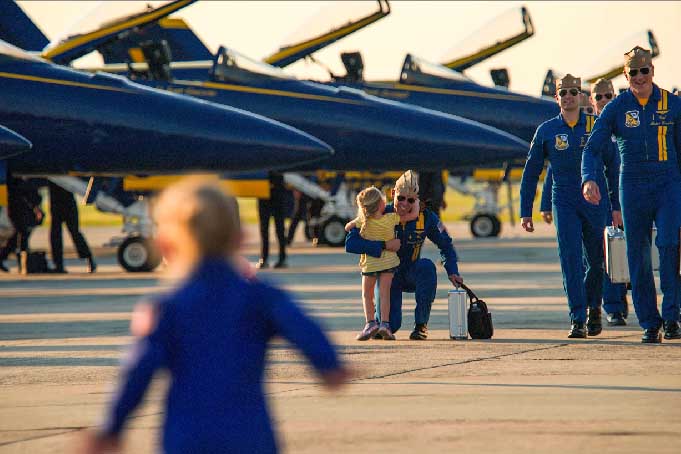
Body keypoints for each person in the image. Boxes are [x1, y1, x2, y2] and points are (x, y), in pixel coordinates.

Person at [82, 178, 348, 454]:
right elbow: (303, 328)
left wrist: (111, 428)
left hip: (187, 438)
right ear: (240, 238)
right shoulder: (261, 296)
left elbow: (138, 369)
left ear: (166, 246)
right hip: (250, 437)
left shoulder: (165, 307)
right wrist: (329, 365)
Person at [582, 46, 681, 343]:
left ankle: (672, 317)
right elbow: (592, 148)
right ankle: (650, 324)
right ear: (625, 75)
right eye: (633, 72)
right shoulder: (617, 107)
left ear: (652, 71)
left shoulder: (672, 104)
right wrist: (588, 179)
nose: (639, 77)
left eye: (644, 71)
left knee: (668, 246)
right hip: (633, 185)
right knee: (636, 256)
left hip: (668, 183)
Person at [519, 74, 621, 339]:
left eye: (573, 92)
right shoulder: (547, 131)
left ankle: (594, 307)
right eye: (563, 92)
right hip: (563, 200)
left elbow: (613, 166)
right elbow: (531, 173)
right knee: (570, 260)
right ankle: (577, 317)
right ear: (557, 98)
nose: (568, 96)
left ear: (582, 97)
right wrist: (525, 211)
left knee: (597, 262)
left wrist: (616, 204)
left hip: (594, 201)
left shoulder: (597, 126)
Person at [346, 170, 463, 340]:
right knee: (390, 326)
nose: (404, 204)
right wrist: (383, 245)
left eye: (410, 200)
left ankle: (421, 325)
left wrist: (453, 271)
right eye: (400, 198)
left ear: (417, 199)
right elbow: (351, 243)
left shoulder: (426, 217)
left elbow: (446, 244)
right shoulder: (379, 213)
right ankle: (377, 323)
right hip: (387, 275)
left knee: (427, 267)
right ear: (393, 193)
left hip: (411, 270)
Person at [344, 186, 419, 341]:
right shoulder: (390, 218)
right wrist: (415, 201)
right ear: (380, 205)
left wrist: (355, 222)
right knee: (385, 294)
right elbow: (413, 215)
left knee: (367, 295)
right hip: (388, 263)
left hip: (370, 265)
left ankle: (370, 323)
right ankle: (385, 324)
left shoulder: (363, 221)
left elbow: (347, 227)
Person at [48, 181, 96, 273]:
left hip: (65, 204)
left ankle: (89, 259)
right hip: (59, 205)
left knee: (72, 233)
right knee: (57, 235)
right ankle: (59, 265)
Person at [0, 176, 43, 274]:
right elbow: (25, 191)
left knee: (18, 236)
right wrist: (35, 206)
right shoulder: (19, 177)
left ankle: (16, 261)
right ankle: (23, 263)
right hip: (18, 208)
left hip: (19, 207)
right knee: (22, 234)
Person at [257, 172, 287, 268]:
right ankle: (266, 258)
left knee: (278, 230)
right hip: (267, 194)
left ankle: (279, 258)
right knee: (266, 230)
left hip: (274, 194)